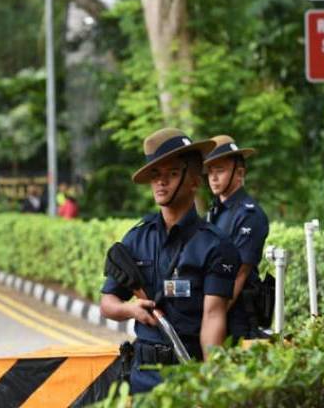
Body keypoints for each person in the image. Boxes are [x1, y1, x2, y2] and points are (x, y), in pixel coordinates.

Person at [100, 127, 240, 394]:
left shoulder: (216, 245)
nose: (160, 182)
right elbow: (107, 303)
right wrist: (132, 310)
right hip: (141, 378)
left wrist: (212, 383)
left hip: (188, 376)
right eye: (155, 175)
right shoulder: (136, 238)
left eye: (172, 173)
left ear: (194, 181)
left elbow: (213, 317)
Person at [204, 135, 269, 342]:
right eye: (210, 172)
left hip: (235, 318)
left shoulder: (249, 215)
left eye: (220, 170)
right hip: (214, 314)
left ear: (239, 173)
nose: (213, 178)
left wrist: (208, 321)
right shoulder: (215, 211)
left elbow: (239, 275)